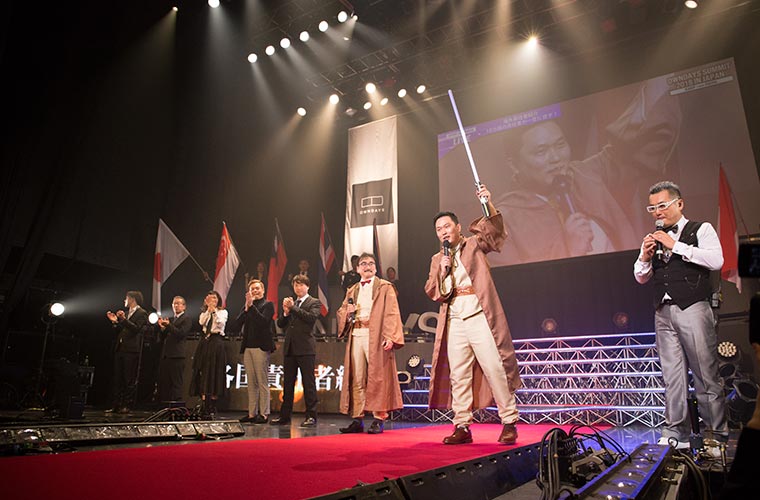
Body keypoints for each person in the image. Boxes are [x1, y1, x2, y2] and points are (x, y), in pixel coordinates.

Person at [493, 79, 681, 266]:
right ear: (514, 164)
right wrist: (569, 249)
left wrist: (659, 82)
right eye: (541, 152)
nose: (556, 158)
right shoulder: (505, 220)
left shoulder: (586, 174)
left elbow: (635, 148)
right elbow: (513, 279)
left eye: (560, 145)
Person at [425, 185, 522, 445]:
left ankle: (509, 421)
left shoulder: (474, 244)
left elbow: (494, 233)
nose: (444, 231)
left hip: (480, 313)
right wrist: (442, 271)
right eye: (439, 229)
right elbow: (433, 291)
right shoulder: (437, 259)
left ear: (458, 227)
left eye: (447, 226)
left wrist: (487, 203)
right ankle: (462, 425)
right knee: (458, 373)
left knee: (495, 367)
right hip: (454, 317)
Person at [633, 181, 727, 449]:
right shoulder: (654, 238)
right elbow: (641, 277)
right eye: (652, 208)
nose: (657, 212)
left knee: (705, 373)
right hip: (663, 312)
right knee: (672, 376)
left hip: (693, 307)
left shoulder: (701, 229)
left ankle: (715, 435)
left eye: (662, 205)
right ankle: (676, 432)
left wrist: (676, 245)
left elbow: (716, 261)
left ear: (680, 204)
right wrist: (644, 256)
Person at [336, 252, 404, 434]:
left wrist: (390, 336)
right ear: (357, 269)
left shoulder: (385, 287)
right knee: (357, 377)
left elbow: (392, 312)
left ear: (375, 267)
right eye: (364, 263)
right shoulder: (352, 289)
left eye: (371, 263)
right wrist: (347, 312)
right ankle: (357, 418)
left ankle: (378, 418)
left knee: (378, 377)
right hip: (356, 334)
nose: (368, 266)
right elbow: (341, 311)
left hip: (376, 336)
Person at [270, 274, 322, 427]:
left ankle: (311, 416)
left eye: (301, 285)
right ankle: (284, 416)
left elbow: (311, 318)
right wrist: (286, 312)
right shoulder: (292, 303)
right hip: (290, 348)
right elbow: (281, 324)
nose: (298, 288)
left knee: (308, 384)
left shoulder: (314, 302)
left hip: (305, 348)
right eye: (296, 285)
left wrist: (293, 308)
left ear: (307, 286)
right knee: (287, 384)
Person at [227, 279, 276, 424]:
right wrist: (246, 309)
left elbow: (263, 322)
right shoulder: (247, 306)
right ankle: (251, 413)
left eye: (257, 288)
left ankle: (264, 413)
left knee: (262, 381)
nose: (255, 291)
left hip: (261, 347)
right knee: (251, 382)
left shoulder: (268, 305)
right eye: (252, 289)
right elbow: (236, 325)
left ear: (263, 290)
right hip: (248, 347)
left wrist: (252, 307)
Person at [106, 290, 149, 413]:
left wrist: (123, 320)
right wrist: (115, 322)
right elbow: (121, 330)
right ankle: (116, 404)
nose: (125, 301)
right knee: (118, 377)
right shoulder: (125, 313)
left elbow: (136, 329)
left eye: (126, 298)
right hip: (121, 347)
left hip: (131, 349)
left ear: (132, 299)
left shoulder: (142, 313)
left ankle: (127, 404)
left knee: (128, 378)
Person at [190, 290, 228, 418]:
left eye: (215, 298)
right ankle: (204, 403)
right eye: (210, 298)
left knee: (214, 372)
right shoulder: (204, 313)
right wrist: (208, 311)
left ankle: (213, 404)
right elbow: (202, 322)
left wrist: (214, 311)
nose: (213, 300)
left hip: (216, 342)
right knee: (204, 371)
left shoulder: (223, 312)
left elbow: (220, 323)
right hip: (205, 341)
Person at [156, 296, 192, 402]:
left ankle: (177, 406)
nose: (176, 305)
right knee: (165, 383)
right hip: (166, 355)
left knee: (177, 383)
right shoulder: (170, 319)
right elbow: (162, 338)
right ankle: (165, 405)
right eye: (174, 303)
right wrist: (162, 328)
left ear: (184, 306)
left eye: (178, 303)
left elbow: (181, 333)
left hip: (177, 355)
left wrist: (169, 326)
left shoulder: (186, 319)